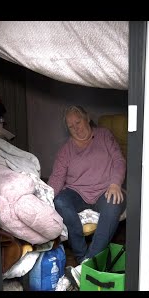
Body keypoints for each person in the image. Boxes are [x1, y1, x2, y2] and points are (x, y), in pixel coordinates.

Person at [48, 105, 126, 265]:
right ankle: (81, 254)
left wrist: (115, 184)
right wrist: (45, 199)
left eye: (78, 122)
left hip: (106, 190)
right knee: (60, 202)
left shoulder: (104, 135)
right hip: (77, 192)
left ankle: (89, 261)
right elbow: (57, 178)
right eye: (71, 126)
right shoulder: (65, 150)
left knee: (113, 203)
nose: (76, 128)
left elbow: (119, 160)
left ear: (87, 118)